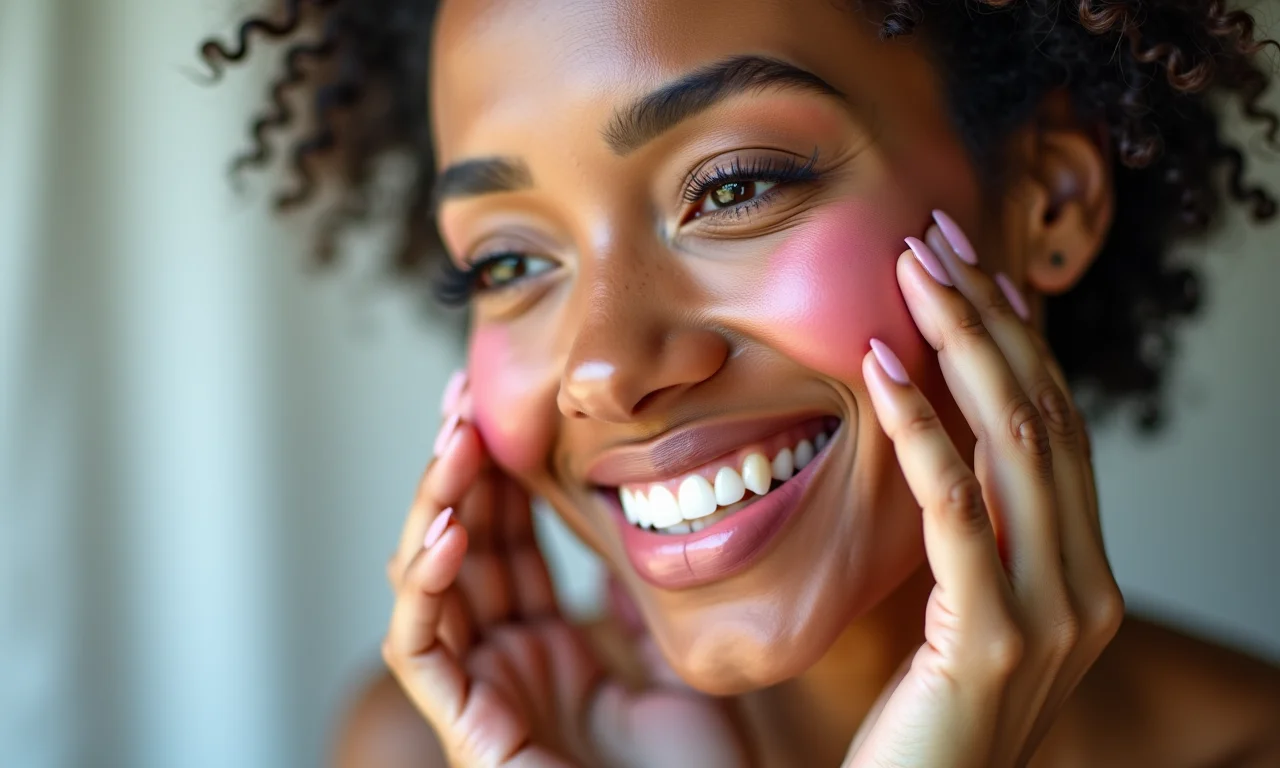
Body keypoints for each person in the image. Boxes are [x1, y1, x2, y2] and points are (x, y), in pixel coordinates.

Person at [203, 1, 1280, 765]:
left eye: (732, 188)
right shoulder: (433, 749)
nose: (606, 370)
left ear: (1047, 197)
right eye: (510, 262)